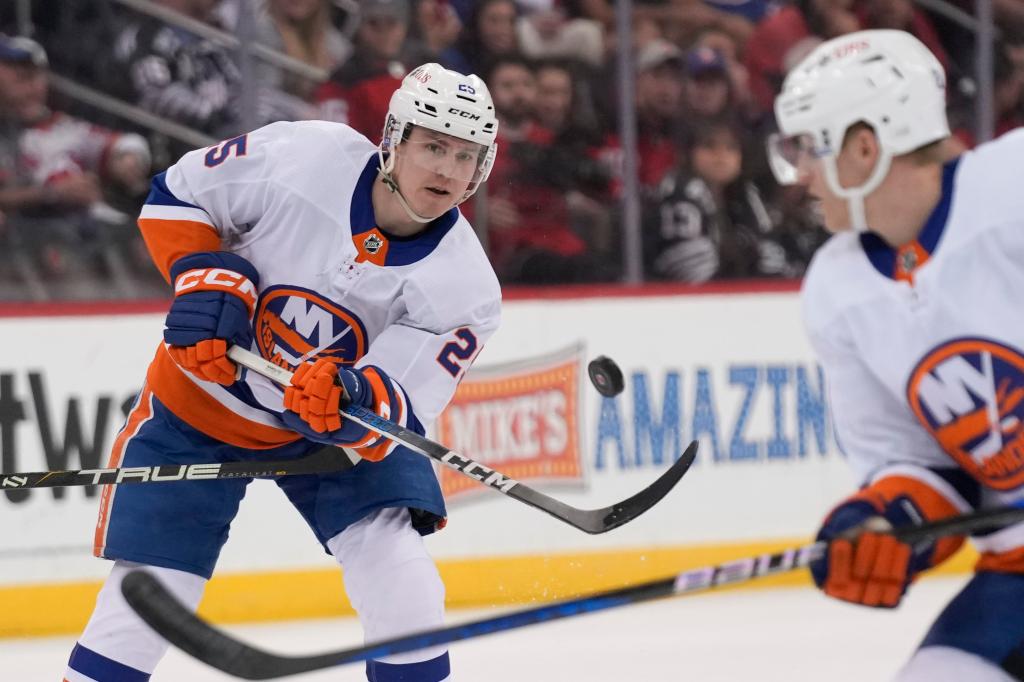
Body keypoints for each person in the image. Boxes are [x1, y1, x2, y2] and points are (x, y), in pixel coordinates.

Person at [64, 63, 501, 682]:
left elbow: (395, 404)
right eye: (433, 146)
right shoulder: (304, 156)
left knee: (406, 587)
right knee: (148, 600)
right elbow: (177, 195)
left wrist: (352, 400)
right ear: (394, 138)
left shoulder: (467, 289)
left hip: (327, 440)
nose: (447, 171)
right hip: (204, 401)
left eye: (466, 156)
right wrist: (205, 274)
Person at [769, 29, 1024, 681]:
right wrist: (885, 522)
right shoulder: (837, 289)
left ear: (864, 145)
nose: (800, 175)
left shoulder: (1013, 189)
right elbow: (928, 466)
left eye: (808, 149)